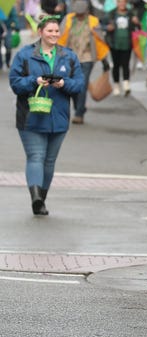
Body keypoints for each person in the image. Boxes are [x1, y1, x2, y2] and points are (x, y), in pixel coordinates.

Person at [9, 15, 84, 215]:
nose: (54, 34)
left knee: (49, 161)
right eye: (49, 31)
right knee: (36, 156)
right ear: (41, 32)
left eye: (56, 31)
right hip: (30, 117)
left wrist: (63, 83)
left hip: (58, 118)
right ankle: (35, 198)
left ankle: (41, 198)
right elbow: (15, 83)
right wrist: (35, 80)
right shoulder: (25, 55)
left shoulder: (68, 56)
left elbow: (79, 84)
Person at [58, 0, 110, 125]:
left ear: (87, 11)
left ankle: (79, 113)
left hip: (87, 58)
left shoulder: (93, 21)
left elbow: (99, 41)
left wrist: (104, 61)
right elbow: (60, 37)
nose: (79, 15)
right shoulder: (68, 19)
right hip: (69, 58)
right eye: (78, 13)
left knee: (81, 85)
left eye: (82, 13)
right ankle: (79, 107)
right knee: (71, 86)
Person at [104, 0, 140, 96]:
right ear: (117, 3)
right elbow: (103, 25)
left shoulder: (131, 13)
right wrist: (107, 27)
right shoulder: (111, 14)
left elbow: (138, 28)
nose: (122, 4)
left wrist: (136, 23)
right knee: (116, 65)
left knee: (125, 64)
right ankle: (116, 85)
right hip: (114, 43)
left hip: (127, 43)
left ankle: (126, 84)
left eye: (123, 2)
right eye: (120, 2)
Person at [0, 6, 19, 70]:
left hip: (7, 27)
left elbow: (14, 16)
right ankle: (0, 64)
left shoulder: (8, 6)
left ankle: (7, 62)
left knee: (8, 45)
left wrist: (16, 27)